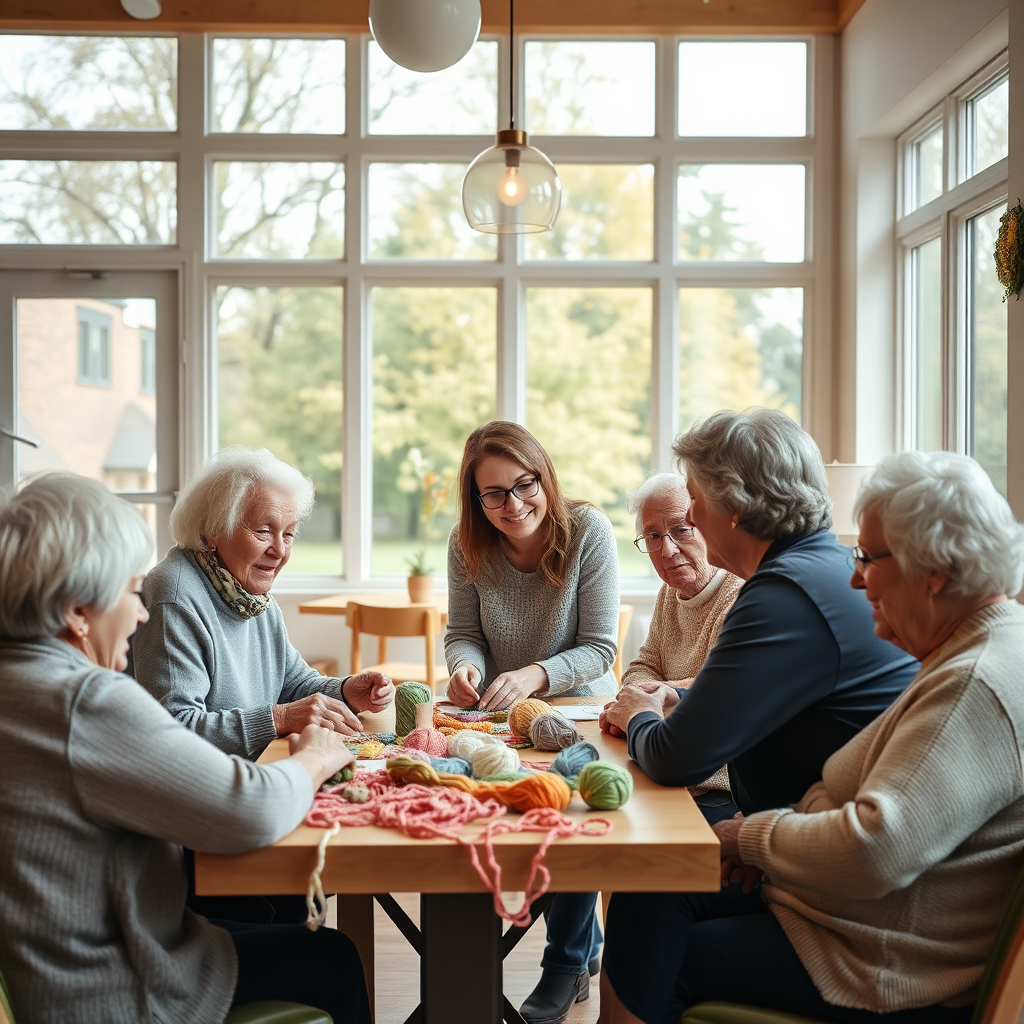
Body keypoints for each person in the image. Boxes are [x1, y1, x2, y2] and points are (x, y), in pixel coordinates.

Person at [599, 449, 1024, 1024]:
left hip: (880, 958)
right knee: (650, 890)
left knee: (661, 951)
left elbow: (877, 848)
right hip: (849, 912)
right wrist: (775, 847)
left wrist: (751, 839)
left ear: (935, 572)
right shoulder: (974, 650)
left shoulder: (976, 682)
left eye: (869, 558)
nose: (854, 577)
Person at [0, 474, 371, 1024]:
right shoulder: (87, 700)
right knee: (332, 956)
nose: (141, 613)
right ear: (78, 612)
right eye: (129, 592)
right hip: (120, 986)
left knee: (293, 926)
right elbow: (251, 809)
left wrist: (335, 693)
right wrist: (316, 755)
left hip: (55, 975)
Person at [601, 408, 918, 817]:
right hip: (800, 820)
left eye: (694, 500)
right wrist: (678, 696)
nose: (692, 516)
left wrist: (639, 714)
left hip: (825, 841)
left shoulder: (784, 595)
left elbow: (673, 759)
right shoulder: (825, 568)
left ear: (734, 505)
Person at [132, 446, 395, 924]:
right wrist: (279, 718)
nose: (281, 550)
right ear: (211, 530)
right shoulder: (173, 593)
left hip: (258, 801)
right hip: (203, 831)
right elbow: (171, 732)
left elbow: (293, 682)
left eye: (289, 534)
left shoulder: (252, 597)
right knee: (320, 933)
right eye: (263, 531)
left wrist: (347, 689)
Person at [444, 420, 619, 1024]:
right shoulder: (466, 544)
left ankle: (565, 964)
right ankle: (584, 946)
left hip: (579, 712)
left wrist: (535, 675)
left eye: (525, 485)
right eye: (493, 494)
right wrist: (464, 668)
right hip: (501, 715)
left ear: (544, 477)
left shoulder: (588, 531)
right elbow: (463, 635)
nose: (512, 504)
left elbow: (601, 648)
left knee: (561, 814)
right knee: (491, 813)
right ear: (476, 499)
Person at [615, 472, 744, 819]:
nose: (667, 550)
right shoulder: (669, 594)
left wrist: (643, 701)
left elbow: (715, 691)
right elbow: (642, 665)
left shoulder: (741, 595)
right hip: (661, 767)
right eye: (653, 536)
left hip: (715, 787)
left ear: (708, 526)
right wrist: (645, 697)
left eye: (681, 530)